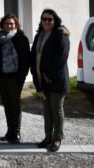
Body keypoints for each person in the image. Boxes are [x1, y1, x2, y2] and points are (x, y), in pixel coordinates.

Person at [31, 8, 70, 152]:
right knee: (47, 111)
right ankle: (48, 137)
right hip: (43, 80)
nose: (46, 21)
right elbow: (34, 56)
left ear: (55, 21)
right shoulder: (39, 35)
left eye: (50, 19)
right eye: (44, 19)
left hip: (56, 80)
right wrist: (37, 74)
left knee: (56, 110)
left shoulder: (60, 35)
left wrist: (49, 74)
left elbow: (61, 57)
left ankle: (57, 139)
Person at [0, 14, 30, 143]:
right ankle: (10, 130)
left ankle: (17, 131)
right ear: (2, 25)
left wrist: (21, 77)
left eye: (12, 23)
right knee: (7, 104)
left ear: (16, 24)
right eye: (7, 23)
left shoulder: (21, 38)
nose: (9, 25)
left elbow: (25, 60)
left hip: (15, 77)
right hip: (2, 76)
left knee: (15, 104)